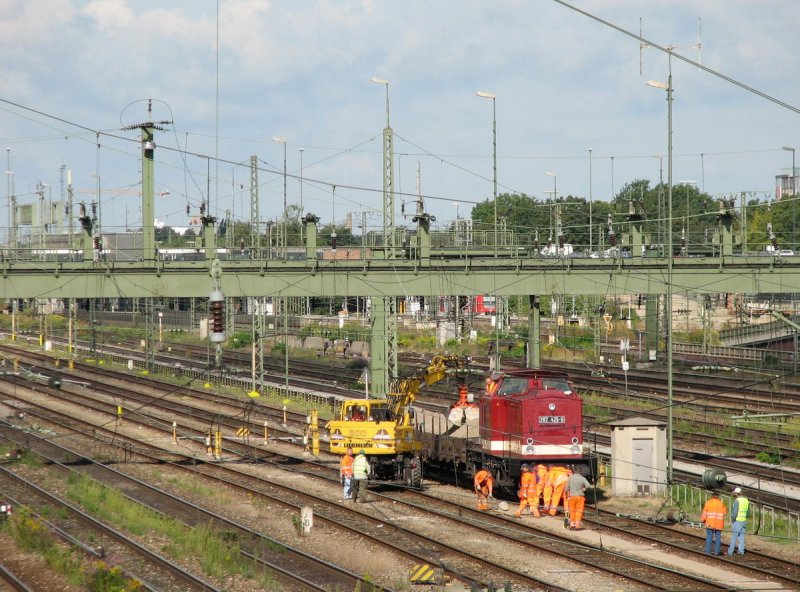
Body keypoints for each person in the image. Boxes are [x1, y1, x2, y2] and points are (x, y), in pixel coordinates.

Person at [701, 491, 727, 555]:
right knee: (718, 537)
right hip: (719, 524)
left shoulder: (708, 503)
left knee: (709, 536)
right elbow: (724, 513)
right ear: (718, 496)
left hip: (710, 523)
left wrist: (703, 520)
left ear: (712, 496)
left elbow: (704, 513)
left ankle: (707, 551)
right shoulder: (721, 503)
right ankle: (717, 552)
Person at [727, 487, 750, 555]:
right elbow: (748, 512)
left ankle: (730, 551)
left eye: (734, 493)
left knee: (734, 537)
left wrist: (733, 520)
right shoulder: (746, 500)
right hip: (744, 520)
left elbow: (735, 512)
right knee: (741, 537)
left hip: (737, 520)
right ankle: (741, 551)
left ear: (737, 493)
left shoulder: (737, 501)